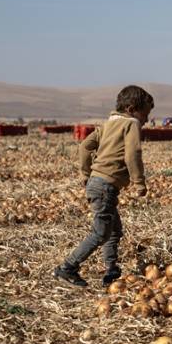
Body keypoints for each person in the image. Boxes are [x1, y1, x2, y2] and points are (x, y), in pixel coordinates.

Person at [54, 85, 153, 288]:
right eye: (145, 114)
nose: (146, 120)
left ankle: (112, 270)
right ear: (132, 109)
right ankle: (67, 267)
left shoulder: (108, 124)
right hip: (105, 186)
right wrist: (139, 181)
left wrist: (86, 173)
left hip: (98, 183)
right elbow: (133, 154)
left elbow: (85, 146)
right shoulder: (131, 123)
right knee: (100, 232)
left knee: (114, 229)